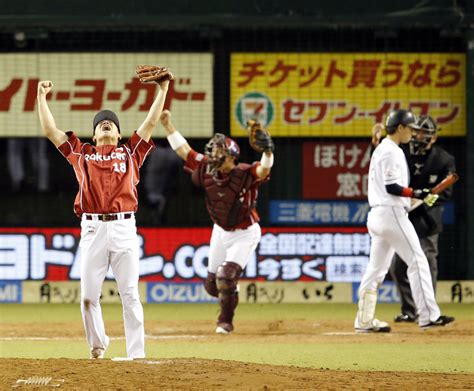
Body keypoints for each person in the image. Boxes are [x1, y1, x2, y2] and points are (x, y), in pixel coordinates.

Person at [36, 69, 171, 359]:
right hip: (93, 229)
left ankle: (136, 354)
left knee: (130, 294)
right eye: (100, 124)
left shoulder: (131, 152)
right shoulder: (81, 154)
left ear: (119, 133)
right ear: (94, 134)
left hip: (123, 228)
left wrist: (163, 88)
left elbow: (150, 121)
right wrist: (41, 97)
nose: (106, 124)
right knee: (87, 298)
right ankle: (98, 346)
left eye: (111, 123)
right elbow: (51, 131)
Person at [159, 109, 274, 334]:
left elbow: (264, 169)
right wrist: (167, 126)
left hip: (245, 231)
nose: (214, 154)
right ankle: (230, 291)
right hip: (220, 230)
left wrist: (268, 151)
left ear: (232, 156)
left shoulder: (244, 173)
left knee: (226, 277)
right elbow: (185, 151)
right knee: (213, 286)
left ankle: (225, 322)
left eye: (220, 150)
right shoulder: (206, 169)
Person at [355, 109, 454, 332]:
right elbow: (392, 187)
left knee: (376, 270)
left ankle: (364, 319)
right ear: (400, 128)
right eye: (410, 128)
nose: (413, 133)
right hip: (391, 214)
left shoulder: (383, 148)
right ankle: (428, 315)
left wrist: (416, 195)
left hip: (378, 215)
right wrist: (419, 193)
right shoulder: (391, 151)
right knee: (418, 261)